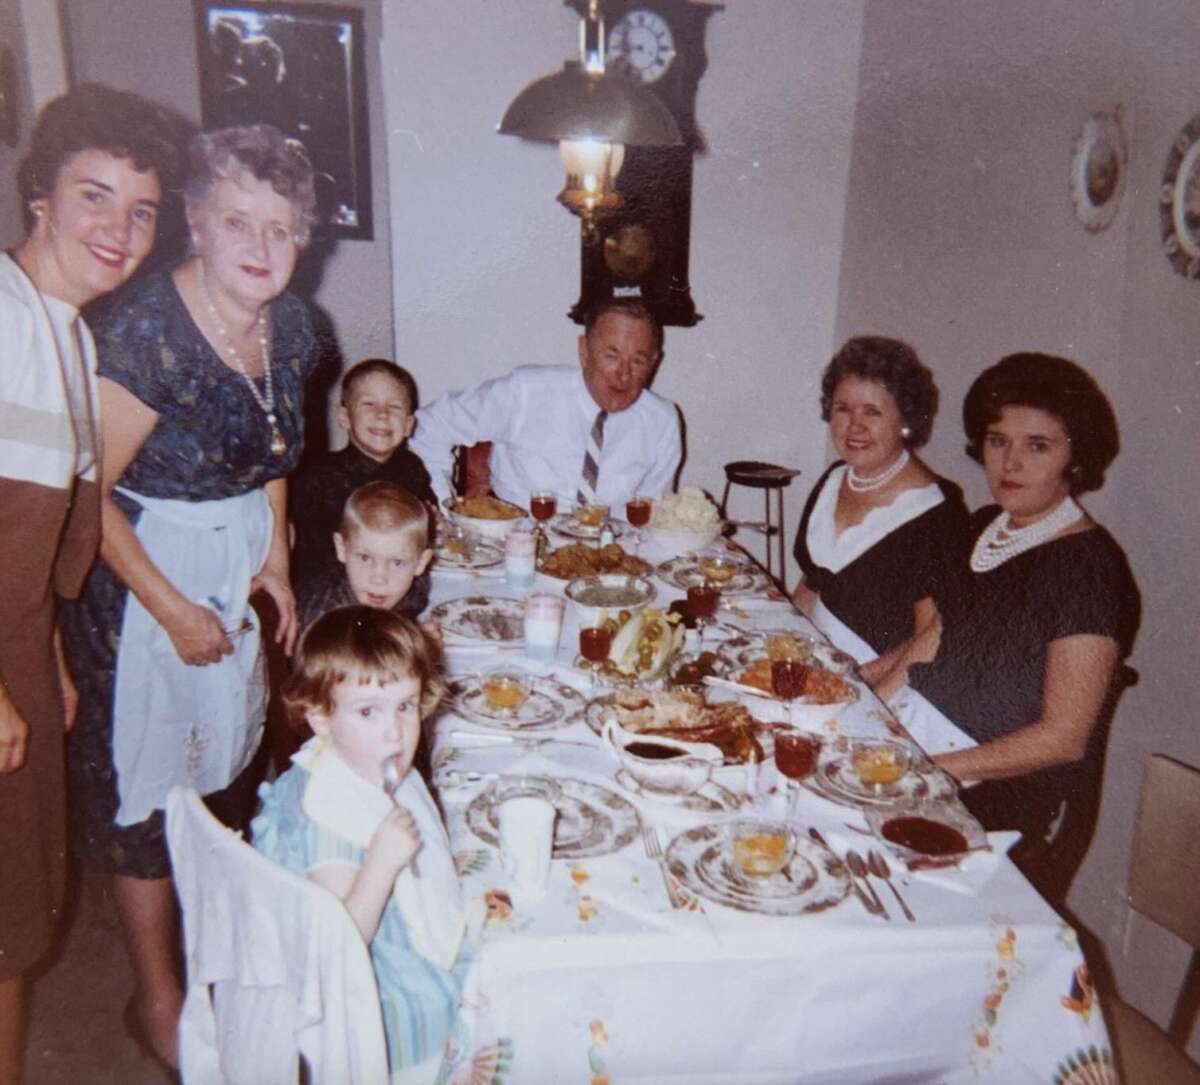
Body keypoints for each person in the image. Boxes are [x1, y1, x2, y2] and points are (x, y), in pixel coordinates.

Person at [59, 123, 319, 1069]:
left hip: (234, 557)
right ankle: (155, 995)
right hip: (138, 580)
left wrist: (279, 556)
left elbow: (278, 453)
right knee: (144, 797)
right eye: (237, 221)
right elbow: (86, 492)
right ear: (196, 227)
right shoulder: (144, 334)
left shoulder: (291, 325)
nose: (260, 248)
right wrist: (169, 606)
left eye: (282, 229)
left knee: (221, 772)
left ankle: (214, 974)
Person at [0, 82, 184, 1081]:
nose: (120, 229)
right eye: (94, 196)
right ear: (40, 196)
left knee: (18, 915)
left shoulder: (66, 332)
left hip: (21, 648)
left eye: (142, 209)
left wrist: (51, 659)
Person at [877, 353, 1140, 904]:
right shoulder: (987, 527)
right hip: (918, 740)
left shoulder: (1089, 570)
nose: (1010, 463)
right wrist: (863, 707)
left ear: (1076, 457)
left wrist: (926, 770)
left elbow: (1063, 738)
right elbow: (937, 638)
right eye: (998, 441)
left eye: (1037, 445)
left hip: (991, 790)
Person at [252, 606, 468, 1084]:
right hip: (380, 1004)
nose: (394, 731)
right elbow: (338, 945)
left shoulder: (363, 761)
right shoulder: (328, 816)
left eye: (405, 705)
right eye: (368, 711)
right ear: (321, 718)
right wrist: (381, 865)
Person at [790, 336, 969, 674]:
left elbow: (929, 641)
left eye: (872, 412)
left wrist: (854, 682)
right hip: (813, 663)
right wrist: (781, 645)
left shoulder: (938, 514)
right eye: (843, 408)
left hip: (880, 683)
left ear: (906, 420)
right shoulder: (834, 479)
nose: (854, 426)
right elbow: (812, 585)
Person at [409, 298, 682, 509]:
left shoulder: (662, 421)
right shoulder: (527, 391)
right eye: (611, 356)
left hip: (609, 563)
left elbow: (654, 517)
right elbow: (428, 426)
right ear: (584, 351)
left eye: (638, 361)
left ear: (655, 361)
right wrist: (443, 507)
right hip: (517, 549)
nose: (624, 374)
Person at [290, 358, 435, 592]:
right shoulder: (320, 479)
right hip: (337, 597)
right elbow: (315, 564)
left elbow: (427, 528)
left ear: (409, 425)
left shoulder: (413, 469)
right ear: (345, 417)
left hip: (399, 585)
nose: (382, 415)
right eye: (369, 404)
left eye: (395, 407)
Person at [297, 481, 434, 630]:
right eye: (364, 558)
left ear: (421, 563)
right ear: (341, 548)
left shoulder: (414, 590)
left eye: (397, 562)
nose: (379, 578)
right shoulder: (326, 620)